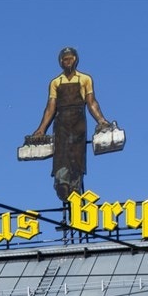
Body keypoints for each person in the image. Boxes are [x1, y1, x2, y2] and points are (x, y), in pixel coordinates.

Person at [30, 46, 112, 203]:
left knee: (77, 155)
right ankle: (62, 184)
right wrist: (41, 129)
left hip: (78, 121)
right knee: (61, 154)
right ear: (61, 62)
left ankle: (75, 187)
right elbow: (50, 107)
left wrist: (101, 120)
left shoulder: (85, 79)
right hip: (61, 122)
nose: (68, 62)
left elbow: (91, 102)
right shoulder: (56, 82)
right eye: (65, 59)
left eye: (70, 59)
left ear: (75, 60)